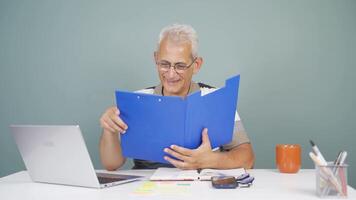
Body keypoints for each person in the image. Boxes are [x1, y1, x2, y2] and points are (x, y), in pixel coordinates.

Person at [99, 24, 255, 171]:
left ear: (197, 65)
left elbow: (247, 159)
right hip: (147, 189)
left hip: (201, 188)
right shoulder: (136, 100)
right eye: (164, 64)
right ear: (155, 59)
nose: (171, 74)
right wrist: (109, 131)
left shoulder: (218, 99)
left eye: (180, 66)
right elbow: (111, 165)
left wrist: (209, 160)